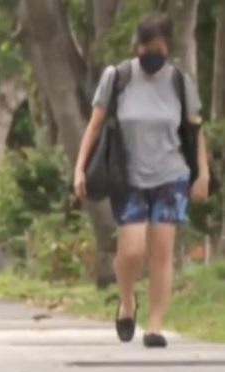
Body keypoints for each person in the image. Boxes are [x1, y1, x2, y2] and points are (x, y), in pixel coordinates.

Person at [74, 12, 210, 348]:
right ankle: (127, 299)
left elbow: (195, 133)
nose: (151, 55)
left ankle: (155, 325)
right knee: (132, 249)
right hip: (129, 177)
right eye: (145, 48)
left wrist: (203, 174)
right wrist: (79, 169)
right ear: (137, 45)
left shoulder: (180, 82)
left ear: (168, 48)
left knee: (161, 252)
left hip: (171, 175)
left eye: (158, 50)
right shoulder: (117, 77)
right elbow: (94, 125)